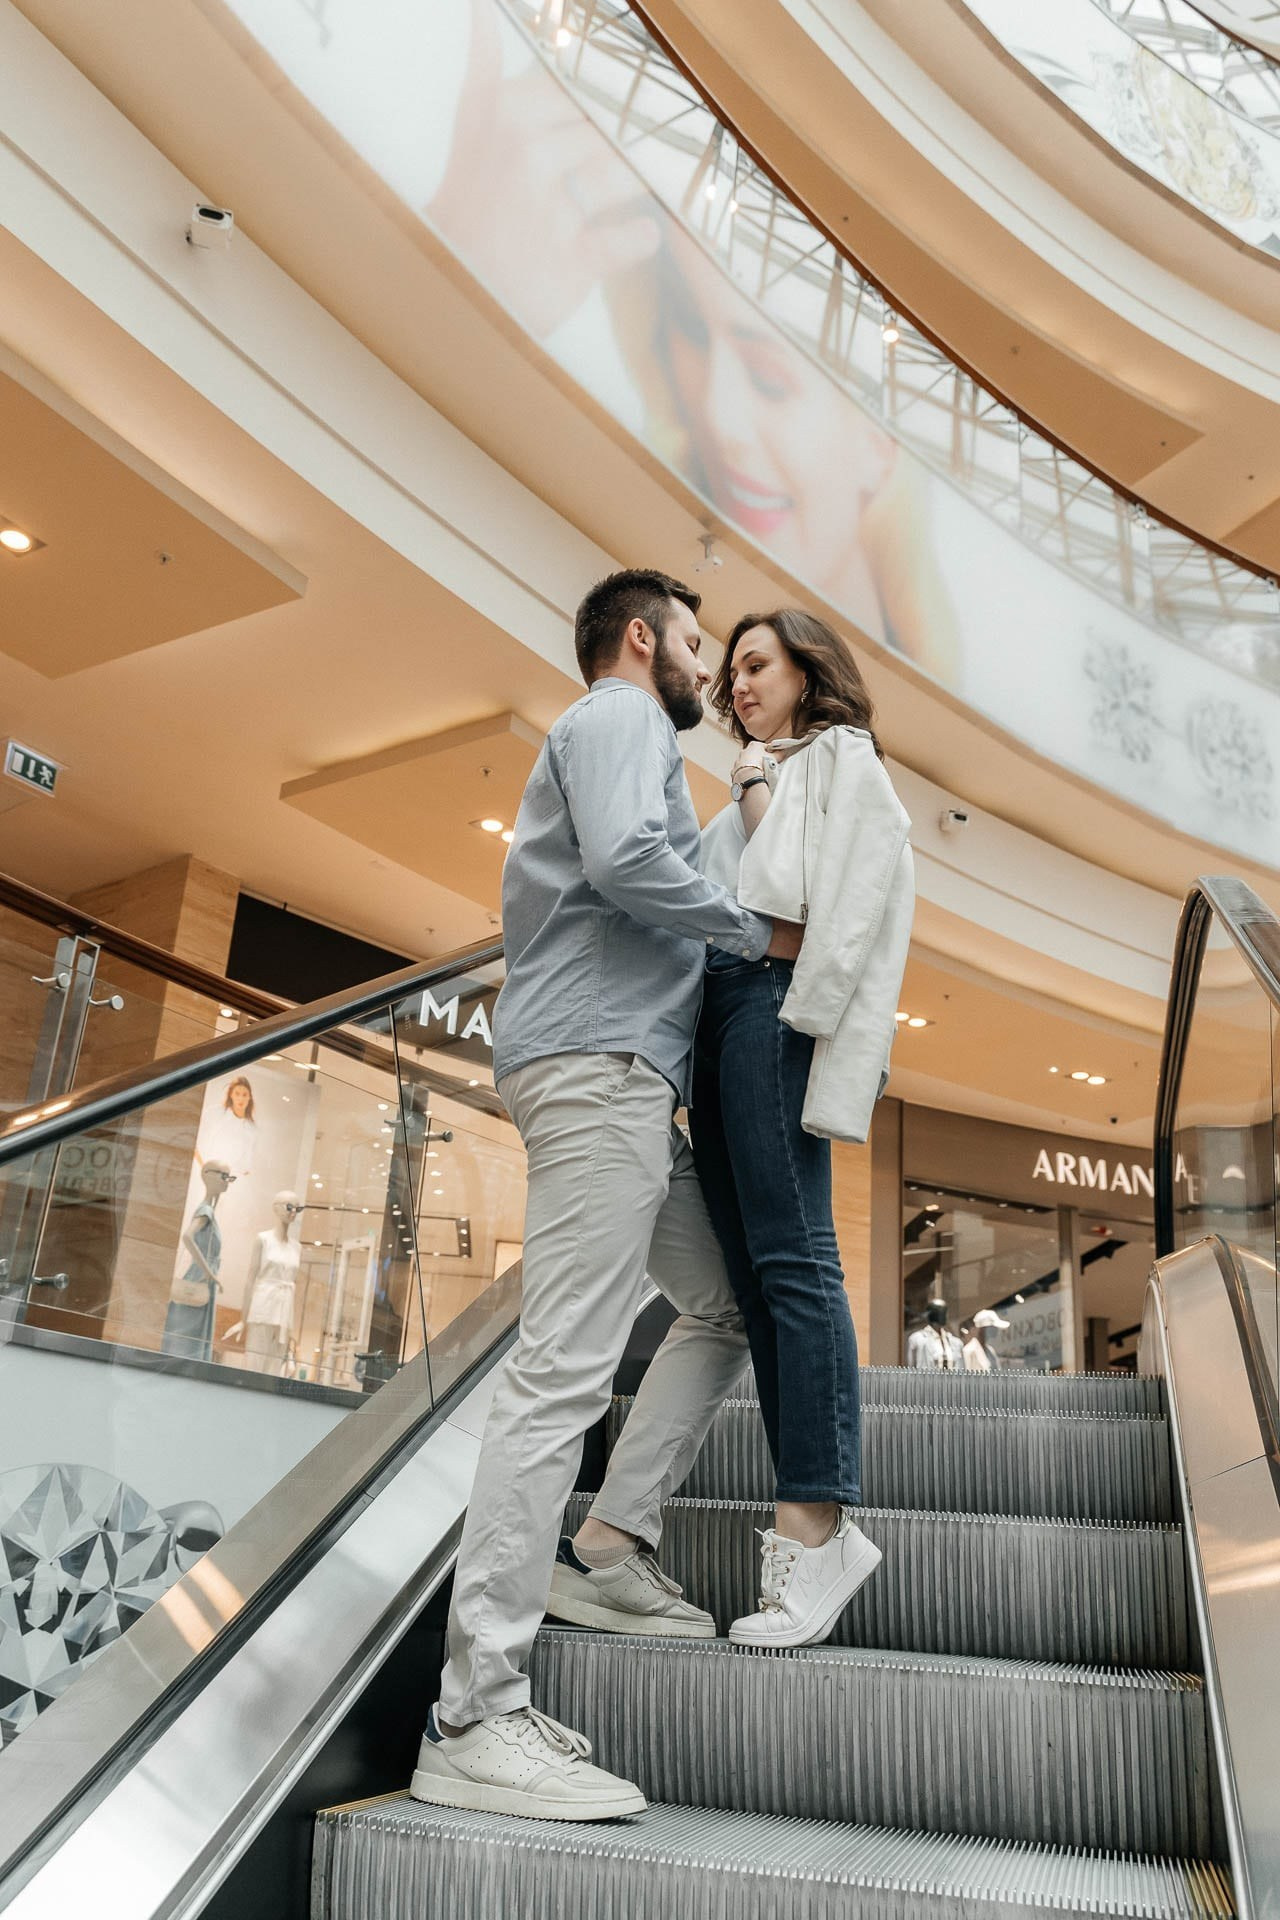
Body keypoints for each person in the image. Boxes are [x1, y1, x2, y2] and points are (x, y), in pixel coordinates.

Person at [410, 568, 800, 1823]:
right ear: (644, 640)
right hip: (594, 1073)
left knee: (725, 1302)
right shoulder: (616, 715)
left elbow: (650, 868)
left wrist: (743, 814)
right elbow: (634, 862)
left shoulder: (629, 743)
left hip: (622, 1081)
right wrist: (753, 931)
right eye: (696, 643)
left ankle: (607, 1549)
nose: (708, 668)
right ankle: (473, 1713)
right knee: (562, 1372)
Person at [684, 608, 913, 1647]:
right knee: (755, 1270)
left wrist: (752, 784)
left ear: (805, 669)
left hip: (777, 1003)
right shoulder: (764, 771)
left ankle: (812, 1530)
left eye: (755, 663)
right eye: (729, 670)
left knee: (794, 1264)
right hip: (722, 1008)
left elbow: (797, 894)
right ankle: (812, 1530)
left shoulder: (835, 759)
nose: (736, 683)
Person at [907, 1298, 965, 1370]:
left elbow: (961, 1367)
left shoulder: (955, 1342)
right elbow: (911, 1367)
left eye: (945, 1313)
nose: (945, 1316)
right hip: (927, 1380)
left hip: (951, 1380)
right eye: (941, 1312)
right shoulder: (917, 1339)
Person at [964, 1307, 1009, 1372]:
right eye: (993, 1327)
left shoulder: (990, 1351)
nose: (996, 1330)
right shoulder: (968, 1351)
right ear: (983, 1329)